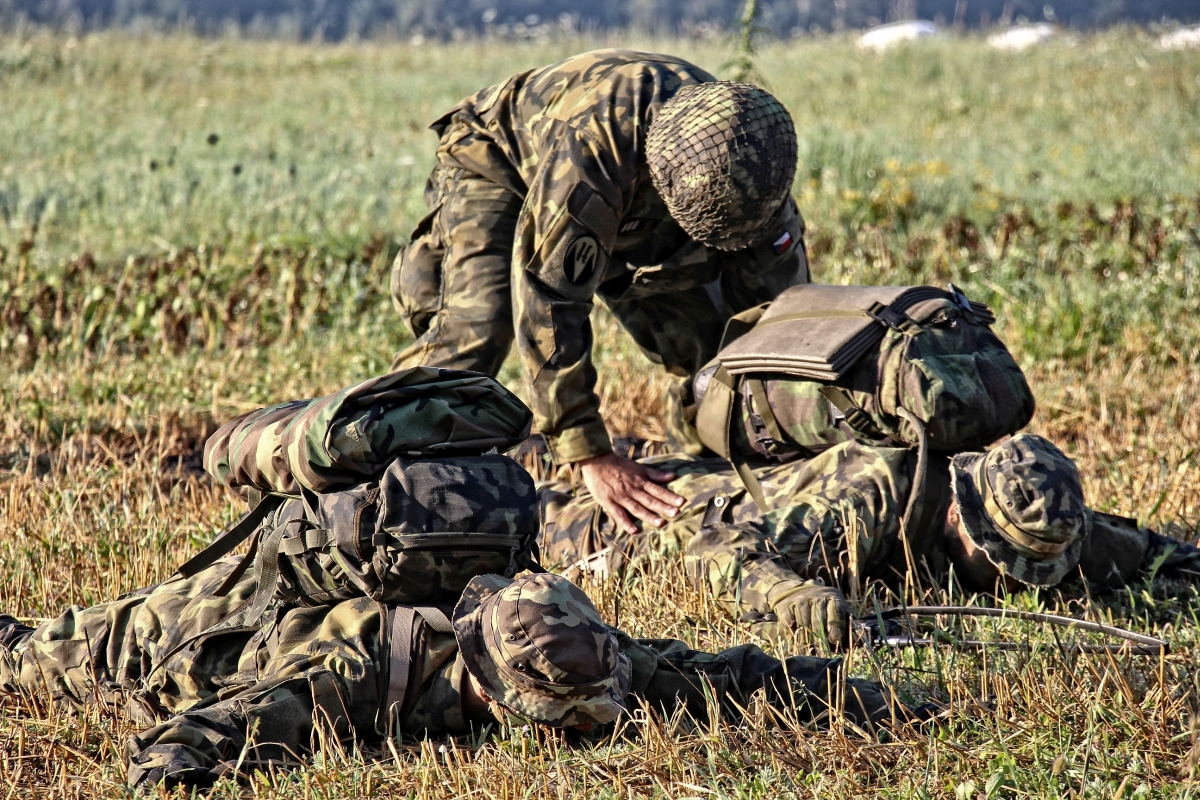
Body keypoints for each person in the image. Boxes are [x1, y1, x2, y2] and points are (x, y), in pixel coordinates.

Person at [390, 49, 809, 537]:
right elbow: (548, 297)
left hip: (655, 184)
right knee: (475, 332)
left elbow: (783, 316)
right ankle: (383, 489)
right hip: (495, 160)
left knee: (712, 349)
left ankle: (701, 489)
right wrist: (588, 452)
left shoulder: (747, 161)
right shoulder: (592, 149)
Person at [0, 567, 903, 789]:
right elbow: (195, 737)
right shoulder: (348, 679)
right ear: (504, 699)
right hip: (207, 635)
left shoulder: (578, 650)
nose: (593, 733)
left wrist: (872, 697)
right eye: (566, 725)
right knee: (38, 655)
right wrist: (172, 773)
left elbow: (729, 677)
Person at [540, 433, 1199, 645]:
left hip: (732, 485)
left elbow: (1145, 552)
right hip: (646, 526)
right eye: (1004, 563)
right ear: (959, 517)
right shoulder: (863, 502)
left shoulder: (1037, 512)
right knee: (512, 506)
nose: (1015, 580)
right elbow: (719, 553)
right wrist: (800, 599)